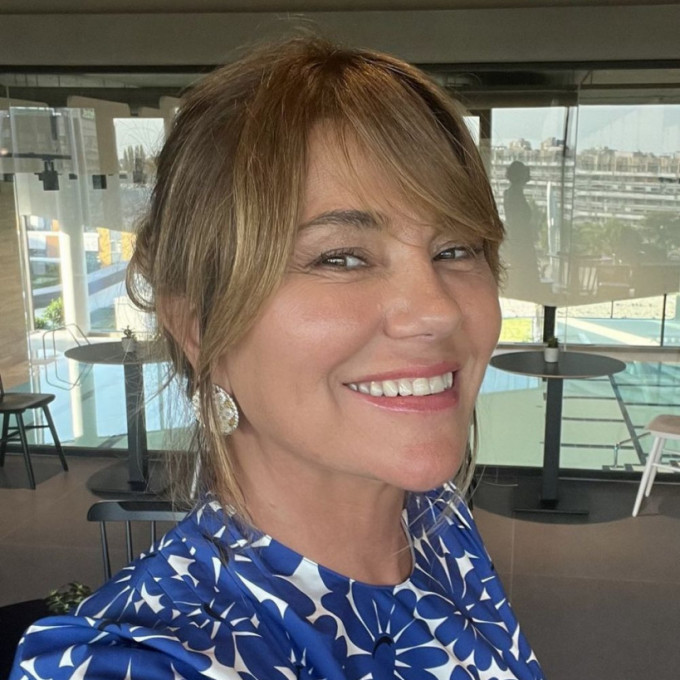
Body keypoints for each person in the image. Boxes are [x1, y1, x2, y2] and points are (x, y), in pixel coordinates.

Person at [11, 37, 544, 680]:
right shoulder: (147, 660)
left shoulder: (434, 518)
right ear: (199, 326)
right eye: (340, 257)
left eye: (457, 248)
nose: (438, 310)